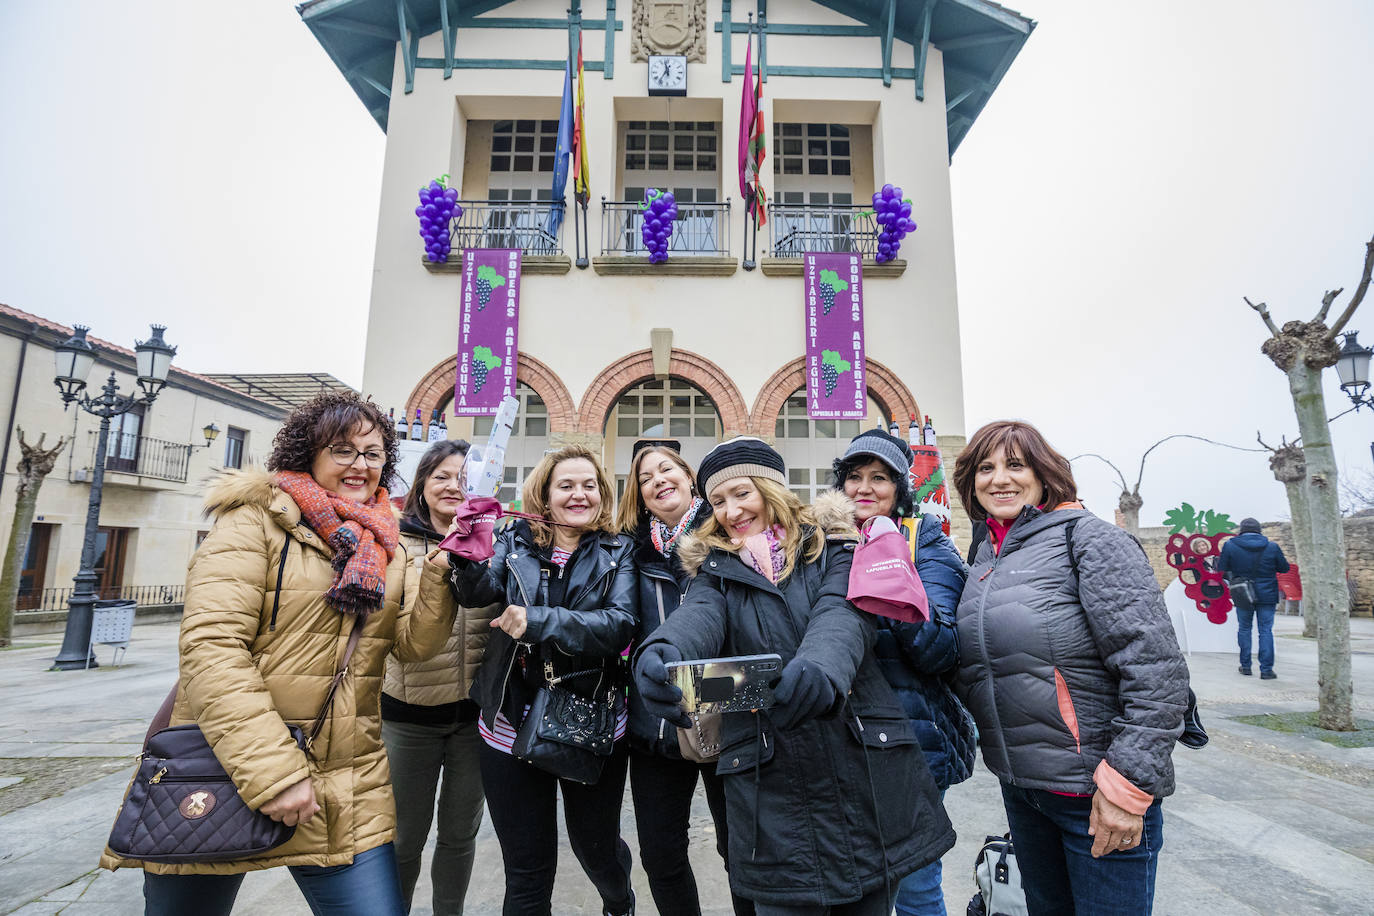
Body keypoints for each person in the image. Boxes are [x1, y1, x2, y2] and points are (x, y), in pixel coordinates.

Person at [101, 390, 458, 916]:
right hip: (230, 768)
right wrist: (275, 773)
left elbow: (412, 647)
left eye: (374, 453)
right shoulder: (253, 522)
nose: (361, 465)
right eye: (343, 450)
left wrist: (443, 571)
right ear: (307, 453)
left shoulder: (389, 543)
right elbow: (213, 649)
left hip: (346, 779)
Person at [634, 437, 955, 916]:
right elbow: (699, 616)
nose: (730, 511)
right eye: (718, 501)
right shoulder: (714, 570)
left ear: (771, 488)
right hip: (772, 788)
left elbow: (842, 613)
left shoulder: (839, 545)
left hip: (861, 767)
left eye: (741, 493)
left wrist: (822, 667)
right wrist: (662, 651)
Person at [951, 420, 1190, 916]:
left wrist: (1127, 788)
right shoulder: (986, 558)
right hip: (1025, 791)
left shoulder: (1089, 540)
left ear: (1044, 475)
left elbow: (1156, 671)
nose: (999, 479)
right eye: (986, 468)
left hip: (1096, 793)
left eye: (1015, 465)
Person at [449, 445, 637, 916]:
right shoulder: (514, 540)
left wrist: (537, 620)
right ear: (545, 494)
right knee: (527, 871)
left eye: (589, 485)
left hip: (590, 725)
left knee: (597, 851)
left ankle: (620, 901)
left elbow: (619, 625)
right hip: (510, 721)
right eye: (567, 485)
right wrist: (467, 551)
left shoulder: (619, 548)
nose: (579, 494)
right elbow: (477, 594)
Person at [831, 429, 975, 916]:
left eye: (880, 478)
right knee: (856, 890)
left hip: (911, 739)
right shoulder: (823, 543)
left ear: (900, 488)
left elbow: (940, 651)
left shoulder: (924, 541)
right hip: (841, 742)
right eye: (854, 477)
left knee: (915, 887)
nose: (865, 489)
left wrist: (888, 574)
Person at [616, 439, 753, 916]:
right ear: (639, 495)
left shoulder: (728, 538)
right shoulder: (629, 554)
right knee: (661, 854)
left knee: (741, 851)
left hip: (729, 714)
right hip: (654, 723)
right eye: (646, 477)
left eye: (667, 468)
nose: (658, 480)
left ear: (688, 476)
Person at [381, 439, 499, 915]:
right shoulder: (393, 542)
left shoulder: (497, 541)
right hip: (407, 718)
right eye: (443, 476)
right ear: (423, 485)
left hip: (475, 720)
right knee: (403, 837)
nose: (455, 486)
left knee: (458, 835)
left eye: (466, 477)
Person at [1216, 517, 1290, 679]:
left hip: (1242, 593)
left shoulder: (1230, 545)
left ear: (1241, 530)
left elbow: (1221, 568)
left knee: (1244, 629)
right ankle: (1266, 670)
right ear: (1259, 530)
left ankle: (1246, 666)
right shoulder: (1272, 547)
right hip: (1268, 593)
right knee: (1265, 630)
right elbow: (1284, 568)